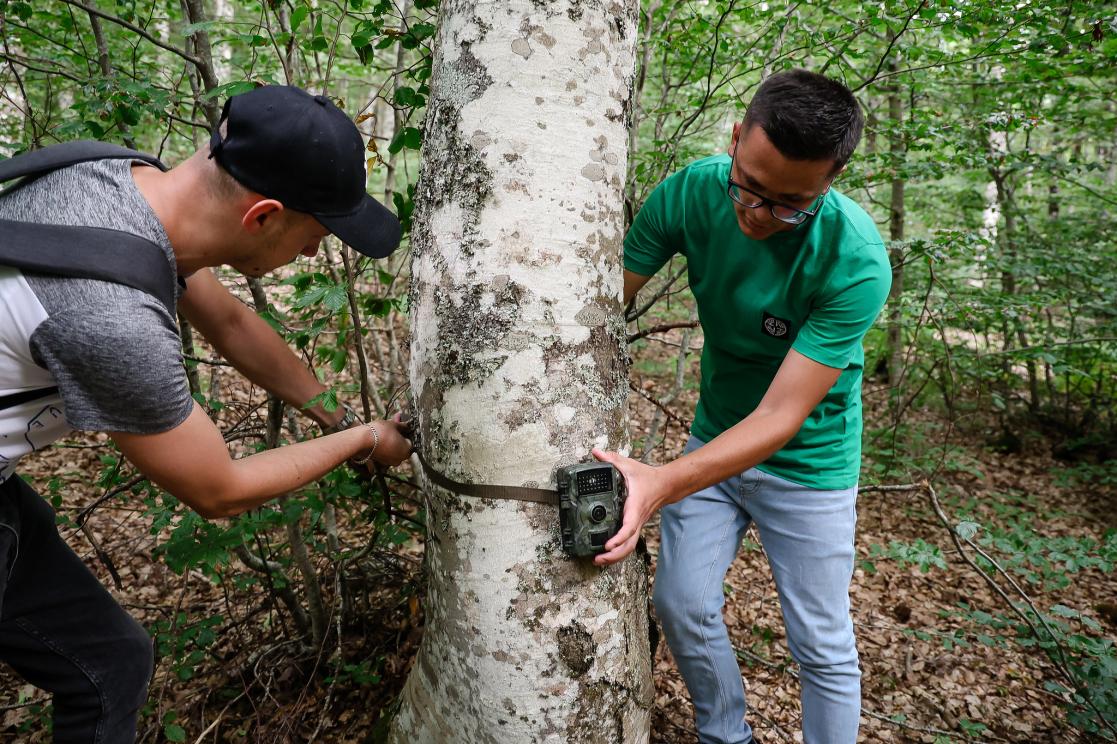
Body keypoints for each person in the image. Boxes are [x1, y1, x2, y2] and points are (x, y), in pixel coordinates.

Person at [0, 85, 411, 742]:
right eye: (315, 235)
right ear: (263, 216)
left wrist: (334, 416)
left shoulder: (117, 183)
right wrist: (362, 439)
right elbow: (218, 491)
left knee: (109, 663)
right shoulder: (110, 314)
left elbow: (229, 321)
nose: (312, 254)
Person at [593, 70, 891, 743]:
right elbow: (601, 302)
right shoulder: (691, 193)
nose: (757, 214)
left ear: (832, 178)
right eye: (748, 186)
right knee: (681, 602)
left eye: (789, 203)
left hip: (809, 466)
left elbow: (781, 419)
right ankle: (725, 734)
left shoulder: (854, 260)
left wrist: (662, 480)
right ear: (734, 139)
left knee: (820, 643)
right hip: (716, 439)